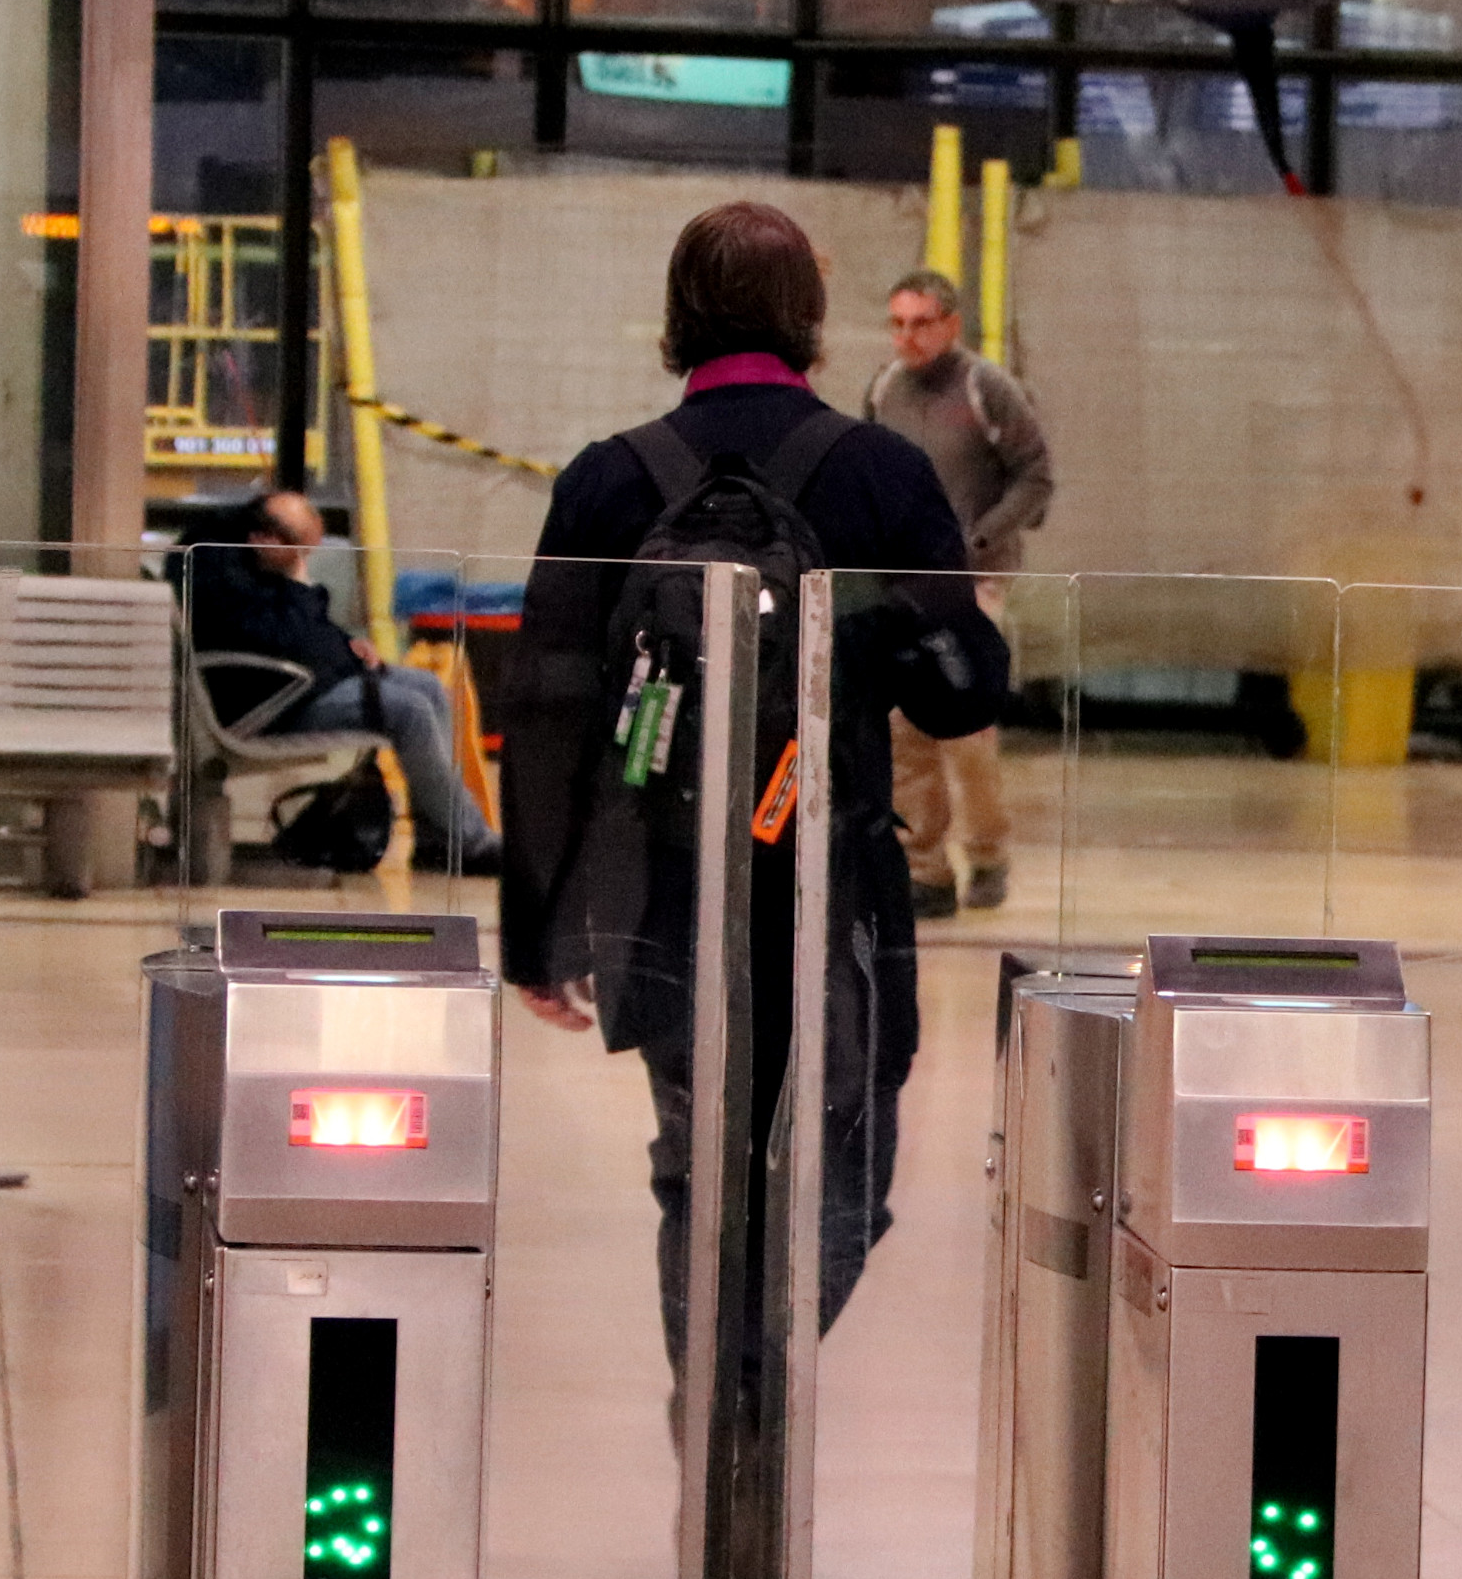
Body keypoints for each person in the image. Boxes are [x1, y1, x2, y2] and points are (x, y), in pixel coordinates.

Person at [498, 202, 1007, 1480]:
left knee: (695, 1169)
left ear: (677, 319)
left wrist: (537, 931)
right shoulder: (883, 473)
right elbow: (964, 694)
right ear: (810, 325)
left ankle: (717, 1423)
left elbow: (547, 713)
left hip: (660, 896)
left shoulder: (609, 477)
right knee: (848, 1174)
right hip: (837, 897)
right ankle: (760, 1404)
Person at [859, 267, 1049, 918]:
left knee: (967, 730)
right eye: (897, 323)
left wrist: (984, 539)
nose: (907, 337)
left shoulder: (985, 387)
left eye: (920, 323)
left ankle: (989, 854)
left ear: (950, 324)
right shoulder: (882, 390)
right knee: (903, 732)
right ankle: (927, 870)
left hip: (974, 584)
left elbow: (1036, 475)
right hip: (905, 584)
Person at [184, 485, 500, 875]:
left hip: (296, 682)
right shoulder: (220, 576)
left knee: (429, 687)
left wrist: (347, 645)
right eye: (300, 552)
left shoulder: (256, 560)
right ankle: (471, 842)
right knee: (410, 710)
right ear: (265, 538)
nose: (304, 561)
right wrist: (298, 585)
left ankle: (438, 840)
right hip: (270, 700)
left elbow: (306, 634)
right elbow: (282, 638)